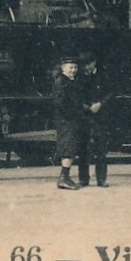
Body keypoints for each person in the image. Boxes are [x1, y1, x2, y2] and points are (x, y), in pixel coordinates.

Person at [52, 54, 87, 190]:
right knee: (68, 147)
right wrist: (74, 113)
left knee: (70, 147)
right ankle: (63, 178)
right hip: (67, 120)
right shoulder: (61, 82)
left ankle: (65, 177)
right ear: (63, 68)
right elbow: (60, 103)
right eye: (70, 67)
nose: (73, 70)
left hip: (71, 119)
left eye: (75, 67)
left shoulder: (70, 81)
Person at [78, 51, 111, 188]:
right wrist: (86, 107)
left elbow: (110, 93)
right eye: (83, 65)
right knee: (83, 148)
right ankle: (83, 179)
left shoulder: (103, 76)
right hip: (85, 116)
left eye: (87, 64)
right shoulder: (80, 78)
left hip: (100, 117)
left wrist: (101, 104)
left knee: (101, 149)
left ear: (93, 63)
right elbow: (77, 96)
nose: (85, 68)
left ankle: (101, 179)